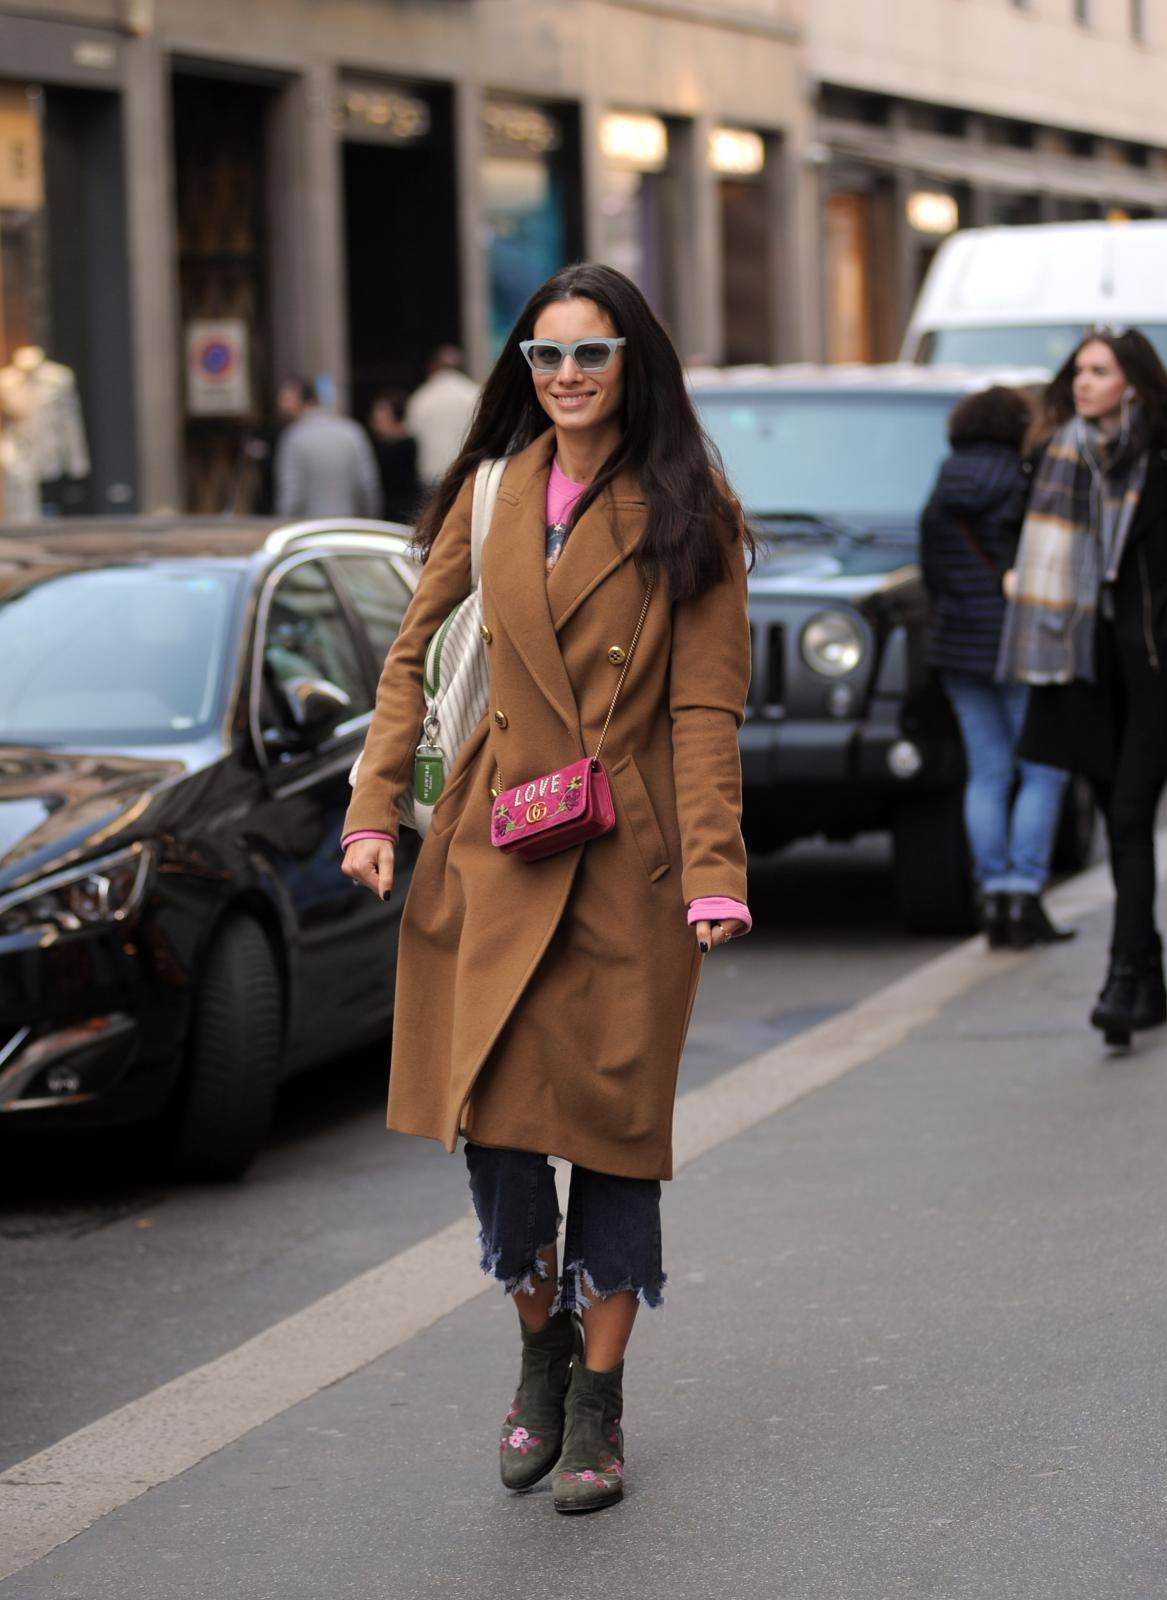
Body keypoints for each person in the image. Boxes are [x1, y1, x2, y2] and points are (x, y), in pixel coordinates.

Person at [340, 263, 754, 1513]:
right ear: (522, 369)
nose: (567, 377)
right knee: (502, 1141)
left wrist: (715, 871)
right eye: (545, 356)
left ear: (635, 361)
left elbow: (702, 711)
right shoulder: (487, 494)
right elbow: (412, 662)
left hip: (626, 869)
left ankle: (596, 1406)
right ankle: (538, 1351)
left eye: (591, 353)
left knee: (616, 1144)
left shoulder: (689, 510)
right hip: (490, 853)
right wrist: (372, 810)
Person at [997, 327, 1167, 1045]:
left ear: (1130, 382)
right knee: (1115, 818)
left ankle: (1121, 981)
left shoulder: (1164, 456)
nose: (1082, 383)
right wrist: (1019, 579)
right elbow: (1016, 531)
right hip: (1080, 658)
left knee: (1130, 818)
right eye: (1078, 370)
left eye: (1098, 371)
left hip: (1152, 661)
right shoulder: (1057, 453)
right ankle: (1151, 976)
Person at [920, 386, 1072, 949]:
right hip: (1023, 643)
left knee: (987, 772)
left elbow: (932, 575)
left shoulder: (943, 485)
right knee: (1043, 768)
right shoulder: (1023, 480)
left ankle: (993, 894)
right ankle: (1025, 890)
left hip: (960, 648)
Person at [273, 376, 381, 520]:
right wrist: (369, 520)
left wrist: (283, 523)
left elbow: (291, 495)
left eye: (286, 398)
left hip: (309, 531)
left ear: (303, 399)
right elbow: (367, 485)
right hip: (350, 527)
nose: (281, 405)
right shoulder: (352, 431)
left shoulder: (293, 437)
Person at [404, 345, 479, 486]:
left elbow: (411, 432)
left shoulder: (421, 397)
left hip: (432, 476)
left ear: (433, 367)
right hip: (469, 474)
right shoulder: (474, 392)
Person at [368, 390, 420, 523]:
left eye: (380, 418)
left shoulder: (404, 445)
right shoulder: (382, 445)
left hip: (402, 509)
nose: (374, 423)